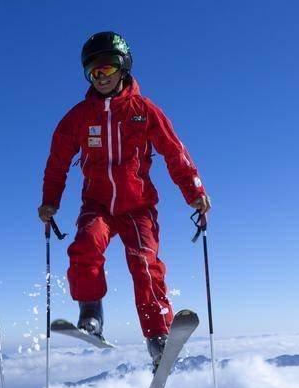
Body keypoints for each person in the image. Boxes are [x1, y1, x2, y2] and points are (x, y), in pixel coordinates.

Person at [38, 31, 211, 370]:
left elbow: (175, 154)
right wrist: (49, 202)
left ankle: (159, 339)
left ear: (124, 68)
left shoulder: (144, 111)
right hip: (97, 205)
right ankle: (90, 315)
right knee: (85, 245)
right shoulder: (78, 117)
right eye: (94, 72)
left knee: (145, 265)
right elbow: (57, 162)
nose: (101, 78)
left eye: (108, 69)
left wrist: (195, 192)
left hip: (138, 207)